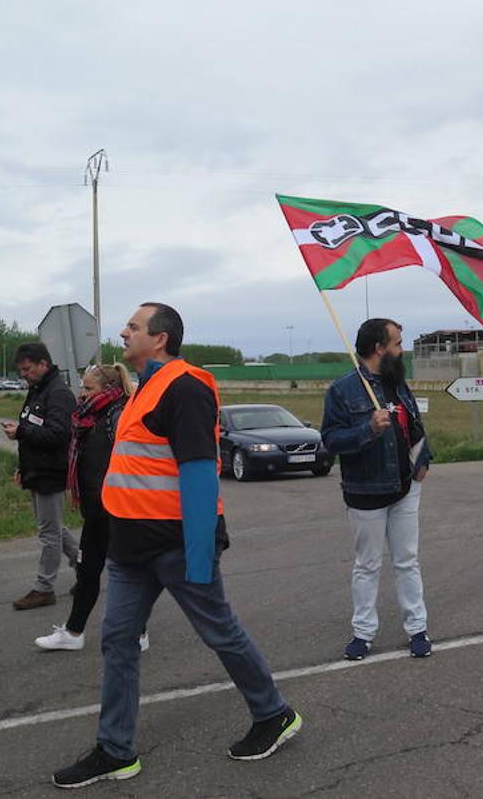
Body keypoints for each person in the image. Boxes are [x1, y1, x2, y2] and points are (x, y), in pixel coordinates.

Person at [53, 303, 300, 789]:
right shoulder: (143, 387)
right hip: (129, 546)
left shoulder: (185, 386)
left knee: (220, 632)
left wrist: (202, 547)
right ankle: (115, 750)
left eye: (133, 326)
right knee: (118, 640)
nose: (123, 332)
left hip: (173, 542)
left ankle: (273, 714)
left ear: (160, 338)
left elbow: (198, 470)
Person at [321, 318, 434, 662]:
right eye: (397, 343)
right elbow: (330, 441)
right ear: (378, 348)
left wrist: (424, 458)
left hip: (405, 487)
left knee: (407, 561)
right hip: (366, 492)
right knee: (367, 565)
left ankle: (417, 629)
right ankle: (363, 633)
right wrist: (367, 428)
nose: (402, 350)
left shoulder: (398, 384)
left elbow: (415, 425)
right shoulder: (342, 391)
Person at [35, 363, 147, 653]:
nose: (81, 394)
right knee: (87, 571)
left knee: (128, 572)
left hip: (119, 509)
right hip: (96, 510)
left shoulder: (119, 415)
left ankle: (138, 631)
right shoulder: (87, 418)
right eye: (82, 387)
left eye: (88, 388)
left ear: (107, 389)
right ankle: (74, 632)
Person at [2, 342, 77, 611]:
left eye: (27, 369)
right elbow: (31, 427)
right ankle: (81, 564)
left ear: (43, 364)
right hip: (37, 470)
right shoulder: (39, 390)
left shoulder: (58, 393)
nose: (24, 374)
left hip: (51, 472)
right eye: (21, 370)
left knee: (49, 532)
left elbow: (59, 434)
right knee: (54, 526)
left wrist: (21, 433)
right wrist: (23, 467)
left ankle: (44, 588)